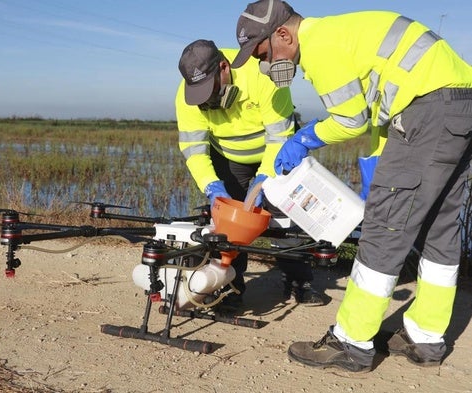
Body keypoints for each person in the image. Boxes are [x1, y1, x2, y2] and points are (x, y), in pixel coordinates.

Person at [232, 0, 472, 372]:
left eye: (263, 53)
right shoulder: (343, 32)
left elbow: (350, 120)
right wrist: (378, 159)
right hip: (459, 108)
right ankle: (425, 337)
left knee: (383, 228)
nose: (264, 65)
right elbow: (384, 104)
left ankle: (351, 342)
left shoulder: (321, 45)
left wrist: (306, 137)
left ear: (283, 34)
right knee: (438, 229)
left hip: (427, 112)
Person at [175, 39, 327, 310]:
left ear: (224, 67)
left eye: (210, 91)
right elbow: (193, 148)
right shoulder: (188, 95)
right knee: (228, 226)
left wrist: (263, 178)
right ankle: (230, 285)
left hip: (276, 152)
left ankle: (297, 281)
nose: (207, 101)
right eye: (200, 96)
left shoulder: (262, 74)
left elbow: (279, 136)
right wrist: (211, 186)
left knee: (287, 215)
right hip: (229, 157)